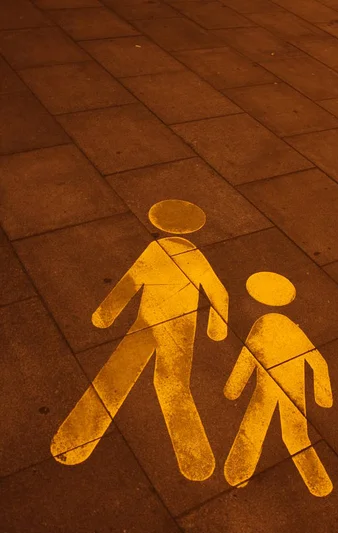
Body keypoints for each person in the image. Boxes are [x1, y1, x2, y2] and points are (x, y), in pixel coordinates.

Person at [51, 200, 229, 482]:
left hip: (145, 323)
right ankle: (194, 454)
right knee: (173, 383)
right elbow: (220, 294)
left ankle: (79, 433)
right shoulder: (195, 257)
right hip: (181, 326)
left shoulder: (156, 250)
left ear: (159, 224)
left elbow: (130, 282)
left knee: (116, 376)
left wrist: (106, 313)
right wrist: (217, 327)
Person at [224, 271, 333, 497]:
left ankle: (239, 468)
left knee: (255, 423)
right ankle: (318, 481)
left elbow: (248, 356)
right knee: (296, 434)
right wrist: (323, 396)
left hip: (266, 386)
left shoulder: (262, 324)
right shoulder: (293, 328)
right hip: (294, 386)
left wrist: (234, 388)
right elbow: (318, 361)